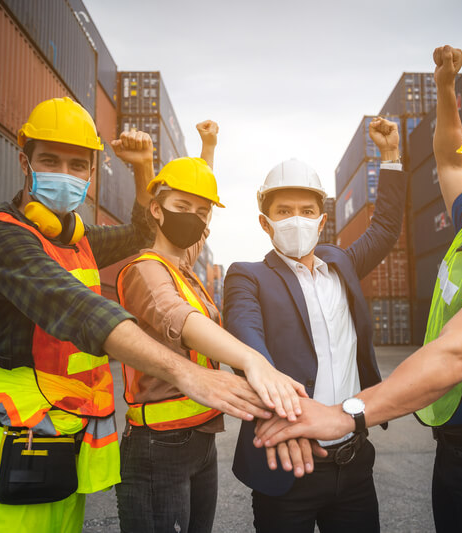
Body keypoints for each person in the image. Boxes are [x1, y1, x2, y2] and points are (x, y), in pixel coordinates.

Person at [254, 45, 462, 533]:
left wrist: (346, 415)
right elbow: (448, 155)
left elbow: (454, 358)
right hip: (459, 453)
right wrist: (446, 89)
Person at [0, 97, 272, 533]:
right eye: (50, 160)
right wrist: (188, 373)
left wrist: (143, 165)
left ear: (92, 172)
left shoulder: (76, 241)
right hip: (11, 445)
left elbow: (142, 230)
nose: (65, 173)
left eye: (78, 164)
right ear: (25, 161)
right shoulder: (0, 241)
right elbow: (84, 310)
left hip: (64, 441)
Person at [114, 120, 306, 533]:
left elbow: (199, 204)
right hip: (158, 444)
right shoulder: (146, 270)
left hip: (199, 438)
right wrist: (252, 361)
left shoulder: (182, 264)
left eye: (202, 213)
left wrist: (209, 149)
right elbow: (182, 321)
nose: (194, 219)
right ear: (156, 209)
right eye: (181, 208)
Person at [223, 117, 408, 533]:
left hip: (353, 460)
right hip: (288, 463)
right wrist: (284, 415)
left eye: (307, 211)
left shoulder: (342, 264)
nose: (296, 220)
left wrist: (391, 156)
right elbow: (245, 336)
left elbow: (385, 227)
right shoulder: (248, 275)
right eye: (283, 211)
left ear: (322, 221)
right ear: (264, 222)